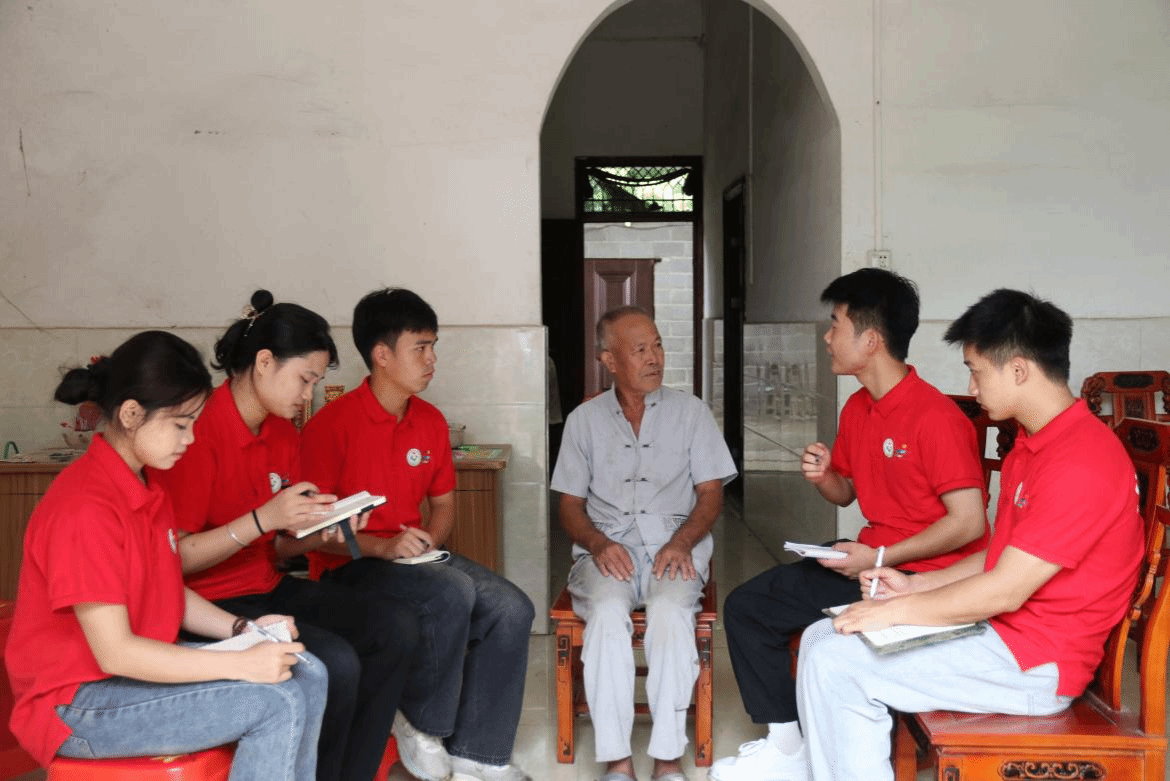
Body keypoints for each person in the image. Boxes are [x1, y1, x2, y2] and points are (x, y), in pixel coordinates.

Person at [795, 288, 1145, 781]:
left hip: (1037, 664)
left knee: (837, 662)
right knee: (821, 638)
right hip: (1003, 636)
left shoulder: (1081, 461)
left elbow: (1005, 589)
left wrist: (890, 613)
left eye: (976, 371)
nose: (971, 387)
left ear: (1018, 370)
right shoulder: (1033, 445)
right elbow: (1000, 556)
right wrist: (913, 586)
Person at [4, 331, 326, 780]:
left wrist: (245, 630)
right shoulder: (85, 507)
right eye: (180, 424)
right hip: (76, 704)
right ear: (131, 414)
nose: (191, 438)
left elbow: (166, 589)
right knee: (272, 700)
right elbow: (116, 654)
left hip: (128, 678)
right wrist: (239, 662)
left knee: (308, 672)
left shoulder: (145, 486)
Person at [713, 268, 988, 781]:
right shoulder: (859, 407)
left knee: (786, 623)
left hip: (924, 575)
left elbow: (970, 524)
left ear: (871, 339)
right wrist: (825, 478)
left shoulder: (935, 417)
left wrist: (879, 558)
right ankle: (788, 746)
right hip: (868, 560)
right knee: (749, 607)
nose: (827, 337)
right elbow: (847, 492)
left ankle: (802, 750)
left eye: (835, 323)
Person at [150, 291, 417, 781]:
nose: (307, 395)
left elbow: (278, 548)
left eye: (314, 382)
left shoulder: (281, 434)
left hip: (266, 586)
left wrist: (324, 527)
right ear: (264, 363)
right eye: (304, 379)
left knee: (394, 627)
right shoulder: (196, 432)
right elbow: (175, 561)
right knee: (336, 662)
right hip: (207, 604)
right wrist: (262, 518)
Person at [299, 287, 536, 781]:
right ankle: (422, 724)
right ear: (381, 355)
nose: (432, 360)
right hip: (350, 566)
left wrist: (428, 540)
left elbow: (444, 505)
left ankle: (478, 753)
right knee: (451, 591)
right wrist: (384, 547)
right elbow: (312, 531)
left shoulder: (429, 420)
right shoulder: (330, 426)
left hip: (411, 560)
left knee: (512, 607)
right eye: (420, 348)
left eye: (433, 347)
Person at [551, 306, 736, 781]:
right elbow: (569, 506)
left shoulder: (691, 413)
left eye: (657, 345)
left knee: (671, 614)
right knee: (606, 617)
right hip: (606, 550)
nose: (654, 358)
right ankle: (617, 761)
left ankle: (667, 759)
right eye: (639, 350)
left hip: (675, 547)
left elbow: (711, 494)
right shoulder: (583, 421)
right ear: (609, 361)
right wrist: (597, 543)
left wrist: (683, 541)